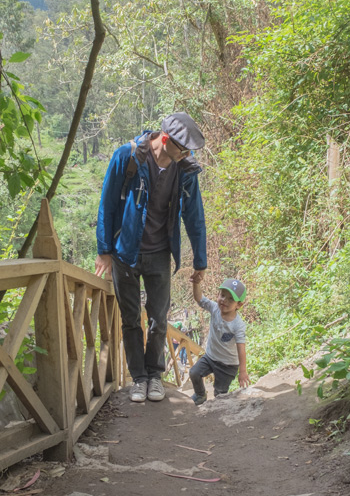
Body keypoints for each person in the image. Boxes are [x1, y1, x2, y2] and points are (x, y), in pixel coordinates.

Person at [95, 112, 207, 403]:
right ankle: (139, 379)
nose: (186, 155)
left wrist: (200, 261)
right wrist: (104, 251)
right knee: (131, 319)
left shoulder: (184, 169)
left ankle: (155, 375)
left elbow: (195, 216)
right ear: (165, 139)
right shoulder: (128, 156)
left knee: (159, 318)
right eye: (183, 149)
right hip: (125, 252)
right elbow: (107, 203)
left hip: (159, 252)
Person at [189, 277, 250, 405]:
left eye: (231, 299)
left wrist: (243, 371)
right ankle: (200, 395)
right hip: (210, 357)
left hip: (228, 365)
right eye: (222, 295)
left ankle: (217, 411)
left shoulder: (238, 325)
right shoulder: (214, 309)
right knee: (194, 373)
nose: (224, 300)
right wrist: (196, 283)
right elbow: (199, 299)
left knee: (220, 393)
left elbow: (241, 348)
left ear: (239, 305)